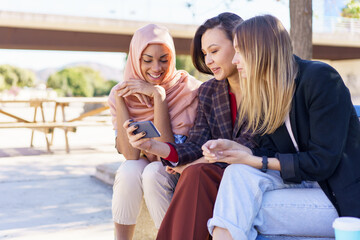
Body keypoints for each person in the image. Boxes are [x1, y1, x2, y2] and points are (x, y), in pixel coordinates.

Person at [203, 15, 360, 240]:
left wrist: (255, 160)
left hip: (338, 200)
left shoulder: (320, 79)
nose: (235, 60)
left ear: (261, 51)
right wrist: (240, 151)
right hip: (300, 187)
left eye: (240, 51)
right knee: (237, 174)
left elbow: (322, 162)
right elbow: (268, 152)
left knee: (241, 211)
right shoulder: (265, 96)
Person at [124, 13, 251, 240]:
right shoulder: (209, 91)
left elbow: (254, 144)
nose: (209, 61)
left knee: (196, 172)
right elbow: (195, 142)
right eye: (205, 54)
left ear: (239, 46)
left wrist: (198, 162)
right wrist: (153, 146)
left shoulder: (263, 90)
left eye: (214, 51)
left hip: (251, 169)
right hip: (216, 171)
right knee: (192, 172)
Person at [107, 23, 201, 240]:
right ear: (135, 59)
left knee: (153, 172)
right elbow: (130, 154)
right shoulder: (121, 93)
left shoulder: (187, 90)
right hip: (143, 165)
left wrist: (159, 96)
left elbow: (166, 155)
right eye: (147, 60)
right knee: (129, 169)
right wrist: (121, 101)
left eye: (164, 60)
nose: (156, 68)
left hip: (176, 170)